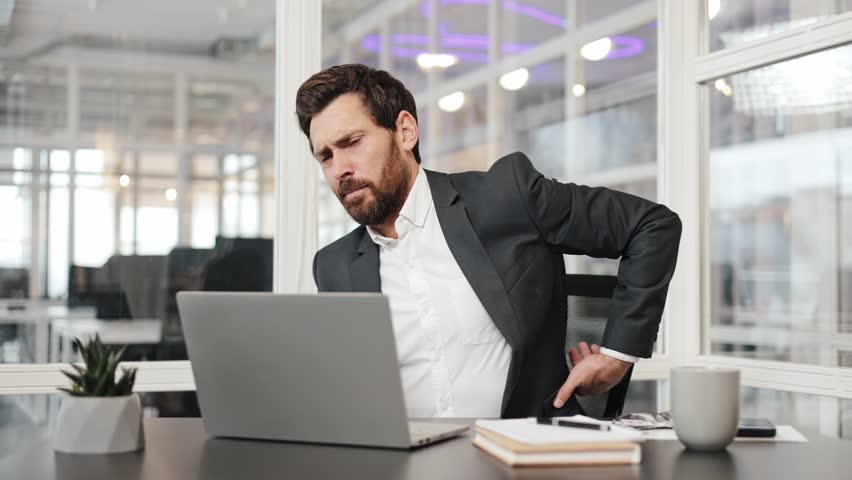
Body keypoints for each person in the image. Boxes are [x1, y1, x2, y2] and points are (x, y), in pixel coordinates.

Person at [297, 64, 681, 419]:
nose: (340, 169)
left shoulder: (506, 198)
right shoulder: (334, 266)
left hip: (523, 458)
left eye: (352, 142)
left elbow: (650, 226)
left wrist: (617, 355)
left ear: (405, 131)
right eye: (325, 157)